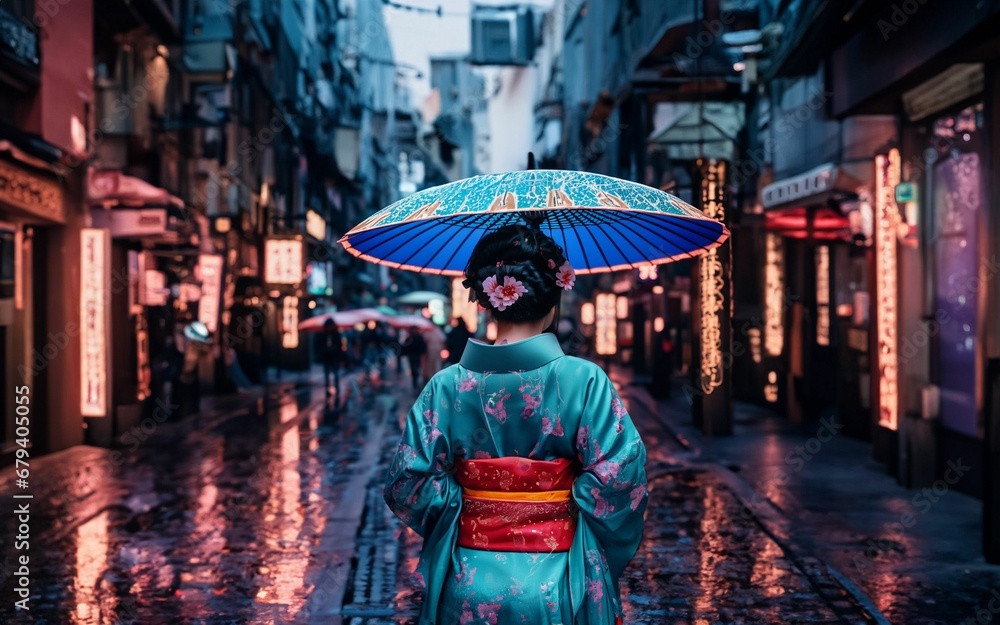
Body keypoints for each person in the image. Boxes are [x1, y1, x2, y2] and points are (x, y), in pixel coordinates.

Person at [384, 224, 648, 624]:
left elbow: (407, 482)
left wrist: (473, 506)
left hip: (468, 578)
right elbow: (622, 477)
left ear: (486, 300)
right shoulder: (584, 380)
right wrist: (554, 506)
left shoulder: (447, 386)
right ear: (554, 298)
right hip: (556, 579)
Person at [318, 318, 344, 399]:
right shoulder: (322, 334)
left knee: (335, 373)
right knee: (327, 374)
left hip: (334, 356)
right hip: (326, 356)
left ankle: (336, 387)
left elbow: (340, 345)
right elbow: (318, 345)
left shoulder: (336, 334)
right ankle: (327, 389)